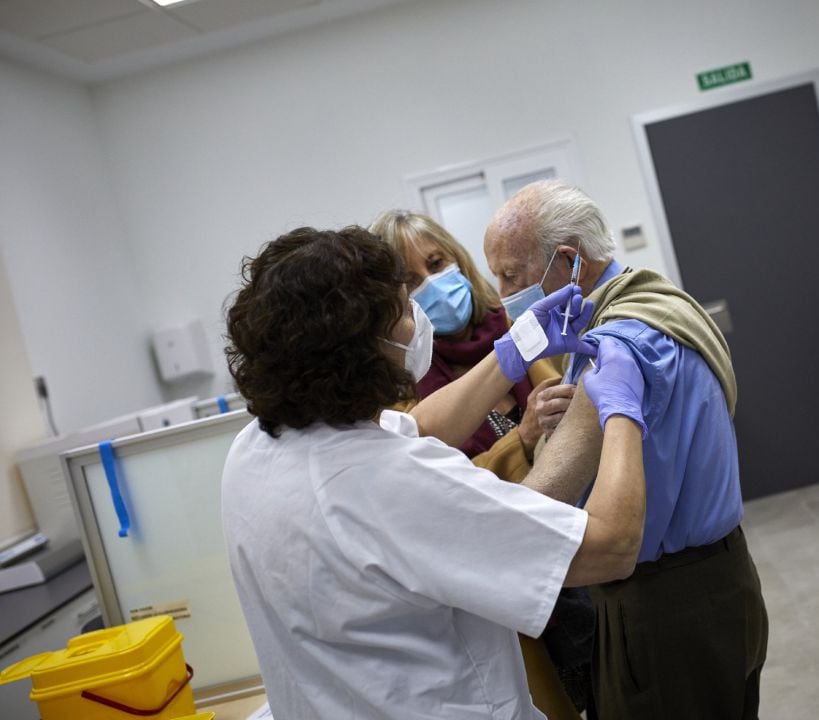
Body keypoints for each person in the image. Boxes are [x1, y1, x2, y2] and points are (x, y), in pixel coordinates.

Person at [221, 225, 648, 720]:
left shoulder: (256, 448)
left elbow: (417, 426)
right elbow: (611, 546)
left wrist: (514, 350)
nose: (418, 318)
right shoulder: (385, 484)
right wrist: (619, 410)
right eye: (404, 311)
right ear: (363, 351)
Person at [484, 180, 769, 720]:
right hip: (724, 579)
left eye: (511, 275)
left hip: (664, 608)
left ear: (568, 260)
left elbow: (540, 501)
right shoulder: (660, 300)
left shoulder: (616, 345)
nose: (502, 295)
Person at [369, 209, 591, 717]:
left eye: (437, 262)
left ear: (458, 258)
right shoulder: (399, 389)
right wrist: (526, 437)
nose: (433, 285)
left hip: (584, 543)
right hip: (514, 587)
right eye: (410, 281)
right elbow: (442, 494)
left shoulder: (519, 328)